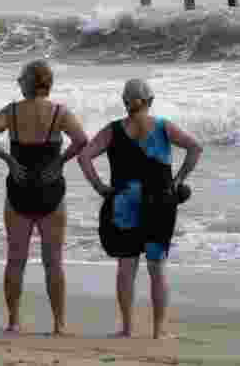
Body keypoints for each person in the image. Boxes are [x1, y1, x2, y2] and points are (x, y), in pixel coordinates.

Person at [78, 79, 202, 339]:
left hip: (124, 202)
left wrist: (100, 187)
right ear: (150, 100)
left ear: (125, 102)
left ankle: (126, 328)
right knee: (157, 267)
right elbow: (195, 147)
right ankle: (158, 331)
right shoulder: (162, 126)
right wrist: (178, 180)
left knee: (126, 266)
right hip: (160, 203)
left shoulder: (112, 130)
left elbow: (84, 157)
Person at [0, 60, 90, 335]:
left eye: (20, 78)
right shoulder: (59, 112)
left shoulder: (12, 112)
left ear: (28, 83)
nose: (17, 81)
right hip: (51, 190)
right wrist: (61, 161)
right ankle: (59, 325)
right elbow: (82, 140)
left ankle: (14, 322)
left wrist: (9, 161)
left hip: (19, 189)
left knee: (16, 260)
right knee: (54, 262)